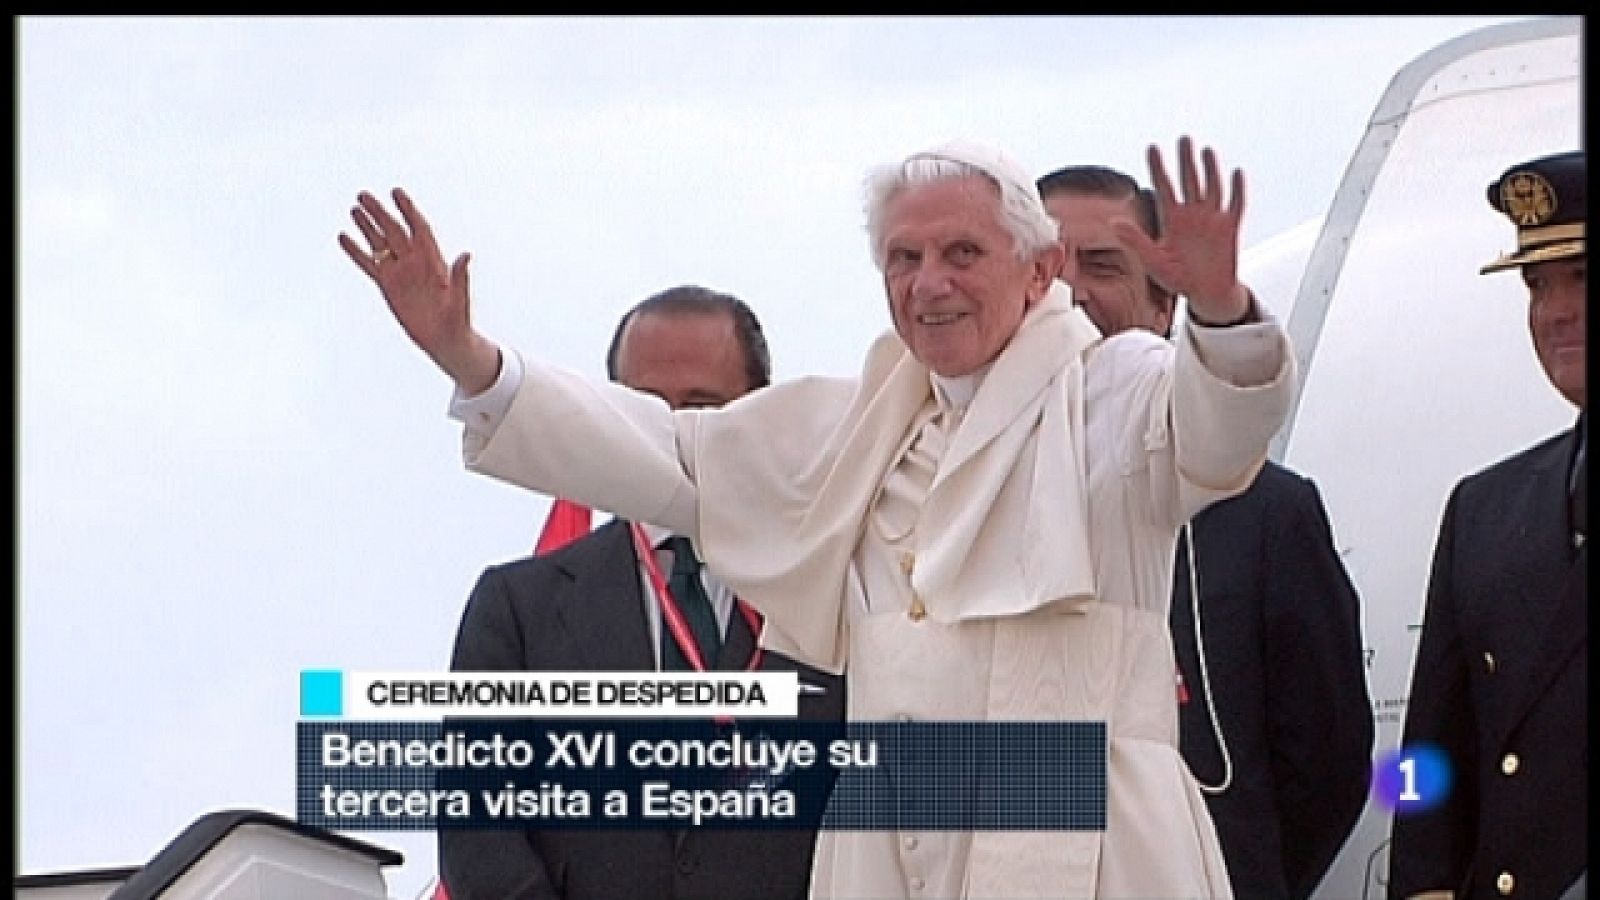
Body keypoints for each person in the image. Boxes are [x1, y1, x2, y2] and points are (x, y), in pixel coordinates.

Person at [340, 134, 1296, 898]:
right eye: (905, 258)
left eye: (963, 253)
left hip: (1089, 845)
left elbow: (1221, 434)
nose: (931, 283)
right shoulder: (854, 422)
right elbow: (667, 454)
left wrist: (1218, 307)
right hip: (891, 852)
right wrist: (469, 355)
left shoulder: (1114, 388)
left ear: (1039, 269)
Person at [437, 286, 846, 900]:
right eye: (645, 407)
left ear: (760, 412)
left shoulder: (836, 588)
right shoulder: (519, 608)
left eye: (701, 407)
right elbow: (479, 829)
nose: (671, 432)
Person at [1037, 164, 1374, 900]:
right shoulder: (947, 503)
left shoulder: (1263, 512)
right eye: (1049, 268)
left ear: (1164, 310)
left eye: (1102, 266)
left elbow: (1327, 761)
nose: (1072, 293)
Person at [1387, 150, 1587, 900]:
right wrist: (1420, 886)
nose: (1556, 310)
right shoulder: (1485, 509)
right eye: (1538, 285)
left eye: (1582, 279)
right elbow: (1422, 762)